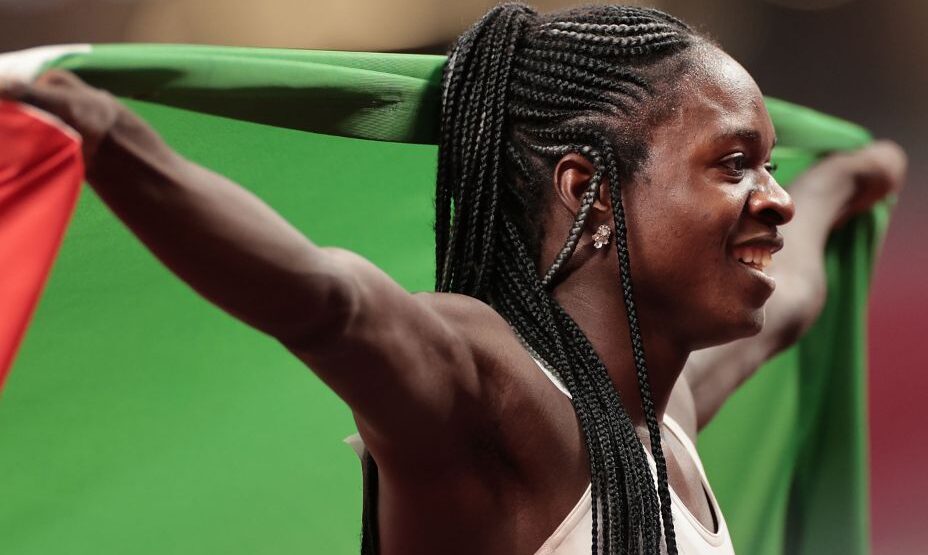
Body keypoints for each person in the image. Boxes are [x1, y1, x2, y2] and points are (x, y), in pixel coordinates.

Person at [0, 4, 906, 554]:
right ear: (588, 188)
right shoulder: (492, 391)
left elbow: (796, 297)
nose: (776, 199)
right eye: (736, 164)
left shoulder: (664, 424)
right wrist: (110, 140)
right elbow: (328, 302)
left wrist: (848, 180)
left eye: (773, 167)